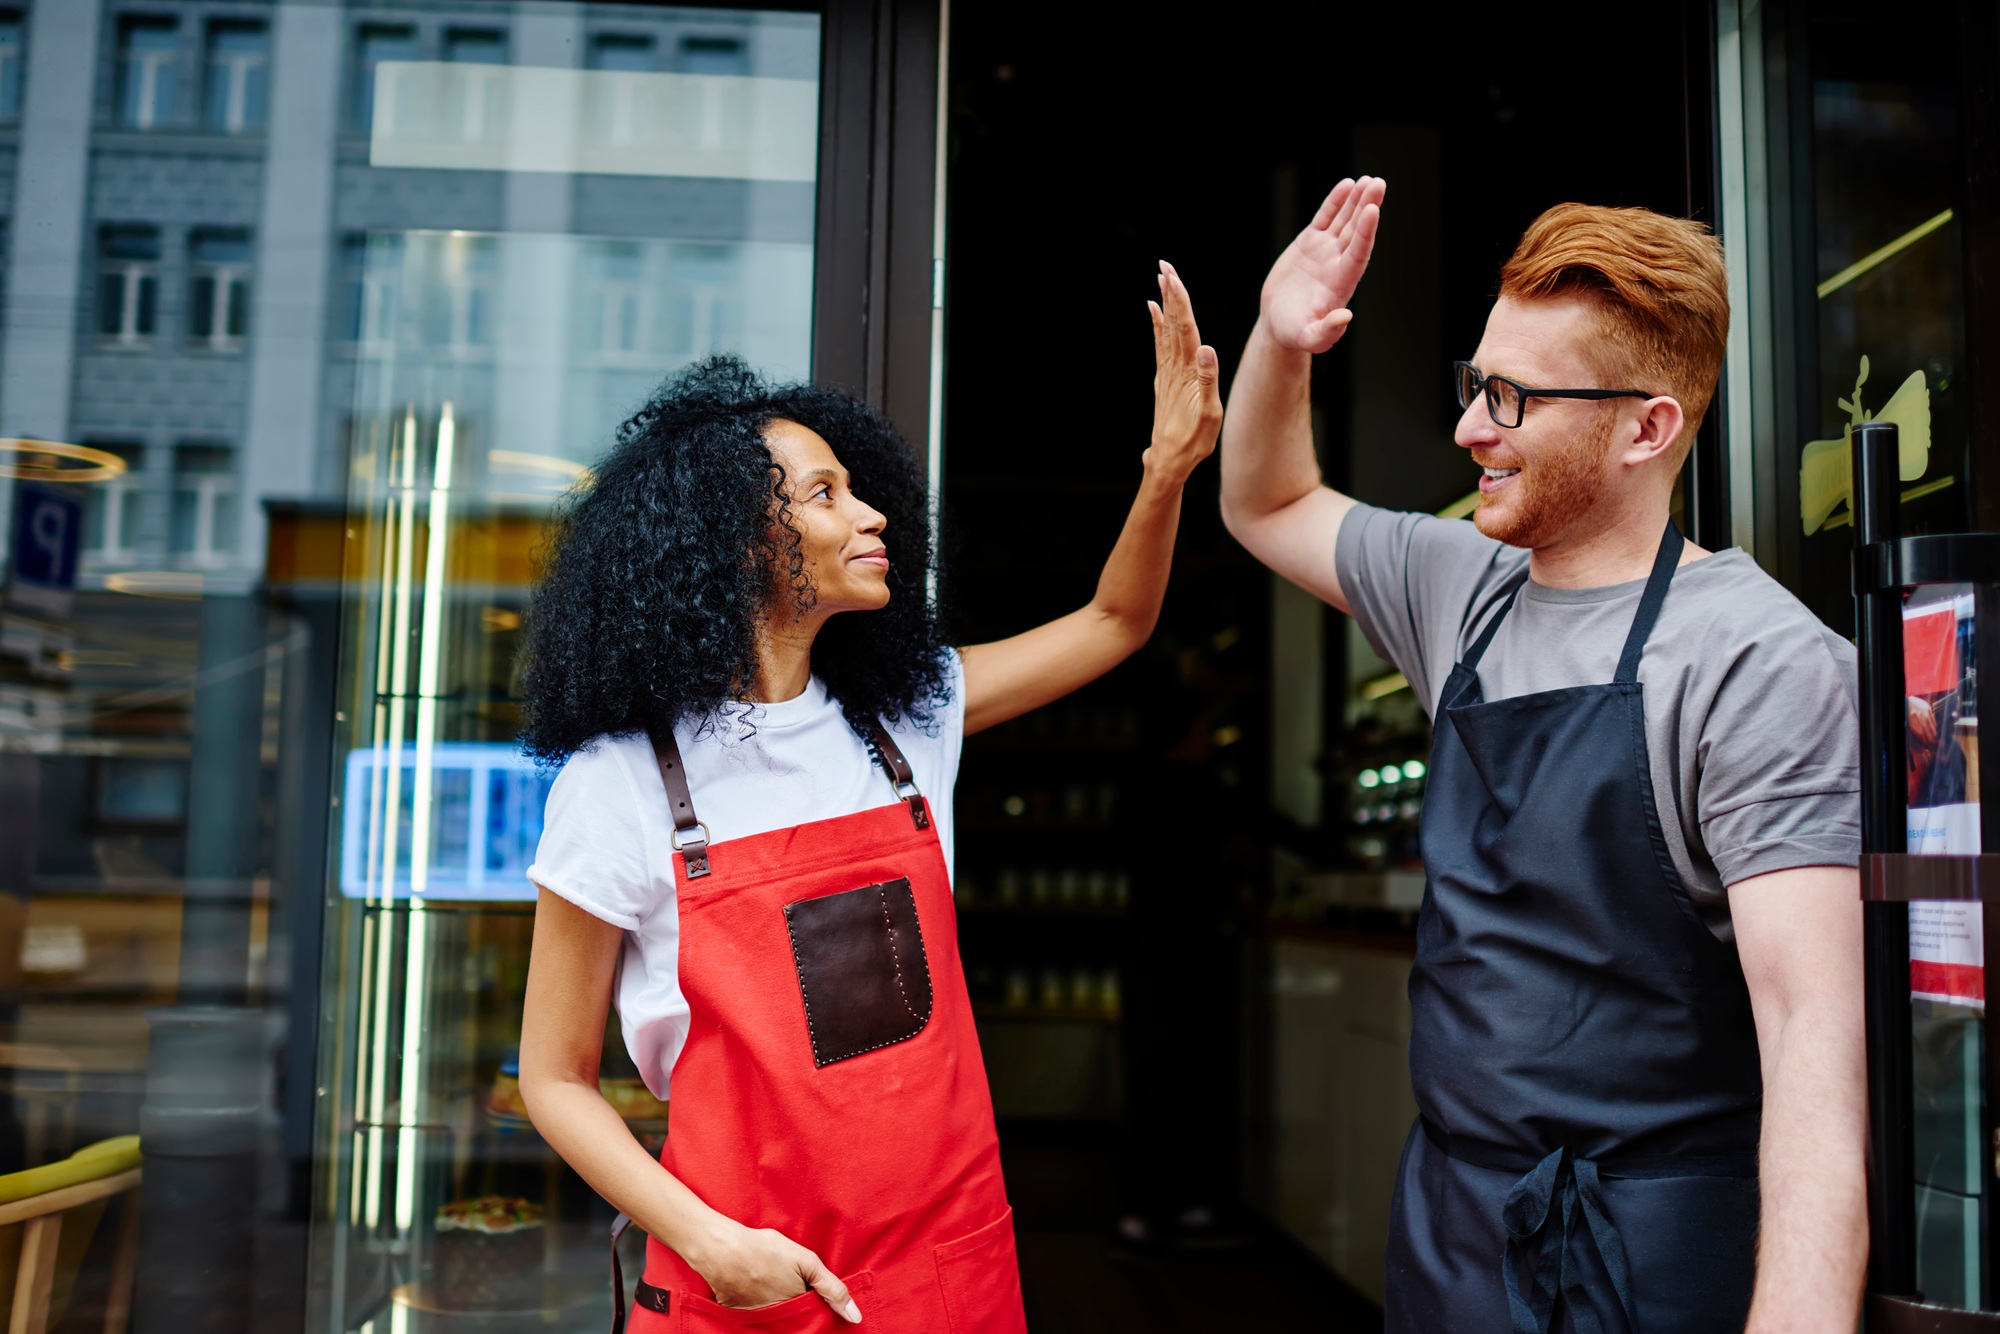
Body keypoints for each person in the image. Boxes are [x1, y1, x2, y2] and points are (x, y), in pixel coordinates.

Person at [513, 266, 1221, 1331]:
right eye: (824, 493)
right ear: (737, 538)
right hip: (747, 1280)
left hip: (944, 1264)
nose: (872, 511)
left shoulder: (906, 721)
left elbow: (1114, 621)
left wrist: (1165, 471)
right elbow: (552, 1078)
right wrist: (713, 1242)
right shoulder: (620, 782)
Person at [1219, 180, 1866, 1332]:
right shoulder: (1456, 590)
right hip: (1450, 1230)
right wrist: (1280, 339)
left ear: (1645, 426)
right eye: (1476, 383)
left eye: (1511, 396)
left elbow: (1813, 1047)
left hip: (1650, 1258)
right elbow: (1266, 500)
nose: (1470, 426)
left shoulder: (1756, 659)